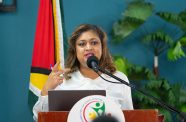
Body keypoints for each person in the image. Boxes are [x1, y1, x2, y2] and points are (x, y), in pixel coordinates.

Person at [33, 24, 133, 120]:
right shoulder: (62, 80)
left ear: (102, 47)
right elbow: (39, 118)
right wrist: (46, 90)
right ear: (75, 50)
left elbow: (130, 117)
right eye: (82, 44)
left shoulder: (119, 78)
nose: (88, 48)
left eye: (94, 42)